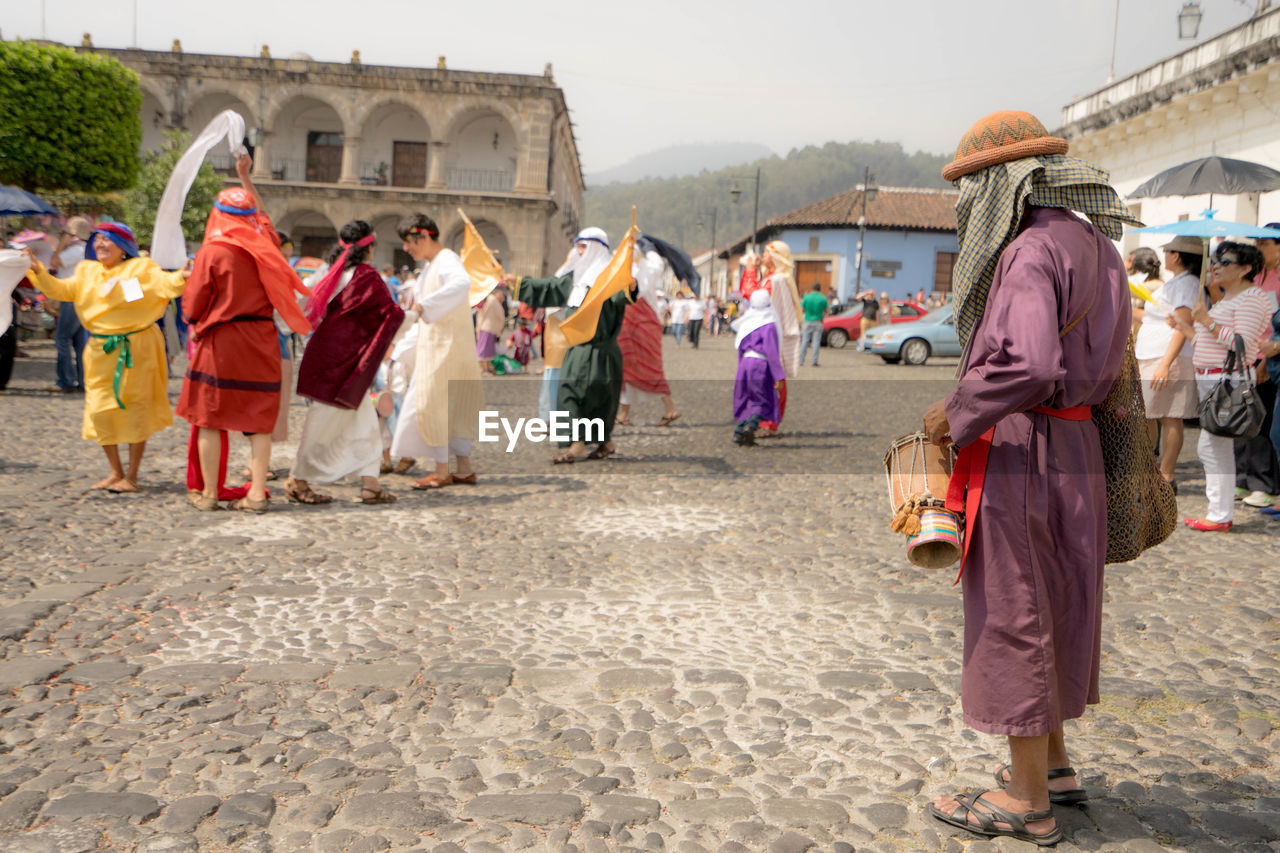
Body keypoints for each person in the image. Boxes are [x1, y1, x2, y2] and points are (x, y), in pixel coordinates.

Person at [922, 110, 1138, 846]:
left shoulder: (1030, 251)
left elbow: (1026, 364)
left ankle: (1024, 799)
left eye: (970, 189)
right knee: (1064, 599)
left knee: (1017, 610)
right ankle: (1055, 766)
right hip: (1080, 448)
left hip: (1027, 448)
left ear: (997, 185)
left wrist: (951, 417)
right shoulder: (1101, 248)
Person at [177, 155, 312, 512]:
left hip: (221, 342)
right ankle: (255, 494)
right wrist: (245, 179)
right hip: (261, 339)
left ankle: (208, 495)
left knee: (210, 418)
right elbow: (263, 218)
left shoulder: (213, 251)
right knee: (258, 420)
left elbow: (191, 306)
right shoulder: (267, 246)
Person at [24, 222, 191, 491]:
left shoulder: (141, 269)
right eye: (97, 239)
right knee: (100, 408)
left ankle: (132, 476)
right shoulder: (86, 271)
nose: (100, 244)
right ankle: (115, 472)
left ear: (123, 246)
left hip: (137, 347)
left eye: (107, 239)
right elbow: (59, 290)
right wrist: (38, 271)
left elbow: (166, 283)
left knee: (135, 407)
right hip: (100, 350)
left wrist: (181, 276)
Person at [288, 220, 405, 505]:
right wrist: (412, 317)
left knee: (364, 421)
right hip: (348, 361)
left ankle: (370, 483)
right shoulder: (368, 277)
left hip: (325, 354)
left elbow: (300, 301)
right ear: (369, 247)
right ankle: (298, 480)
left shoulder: (326, 272)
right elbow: (387, 314)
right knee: (322, 423)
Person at [500, 226, 636, 463]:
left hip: (601, 351)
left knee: (597, 399)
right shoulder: (576, 281)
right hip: (577, 350)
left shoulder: (611, 279)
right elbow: (549, 287)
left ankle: (592, 444)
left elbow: (622, 294)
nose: (579, 252)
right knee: (571, 395)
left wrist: (630, 286)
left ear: (596, 248)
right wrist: (519, 283)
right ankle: (584, 444)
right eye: (578, 247)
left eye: (583, 247)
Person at [1167, 241, 1273, 531]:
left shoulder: (1252, 298)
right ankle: (1220, 513)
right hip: (1212, 378)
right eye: (1215, 260)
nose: (1215, 266)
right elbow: (1207, 343)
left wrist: (1206, 321)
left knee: (1211, 447)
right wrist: (1186, 327)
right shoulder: (1227, 300)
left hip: (1227, 379)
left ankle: (1219, 514)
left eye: (1224, 261)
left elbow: (1242, 343)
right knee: (1216, 447)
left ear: (1246, 269)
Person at [390, 213, 483, 489]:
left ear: (426, 235)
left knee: (436, 405)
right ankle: (463, 469)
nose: (407, 248)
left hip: (445, 348)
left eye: (409, 241)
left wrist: (423, 306)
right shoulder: (433, 265)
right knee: (453, 406)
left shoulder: (446, 260)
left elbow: (461, 284)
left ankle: (442, 471)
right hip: (444, 346)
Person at [1133, 237, 1200, 492]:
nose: (1166, 256)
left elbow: (1183, 327)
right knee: (1149, 413)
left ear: (1179, 256)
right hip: (1152, 353)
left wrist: (1166, 363)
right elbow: (1155, 317)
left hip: (1167, 355)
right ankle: (1149, 471)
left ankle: (1166, 475)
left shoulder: (1187, 284)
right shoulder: (1175, 283)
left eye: (1169, 251)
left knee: (1170, 416)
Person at [617, 238, 680, 428]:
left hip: (635, 324)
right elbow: (657, 261)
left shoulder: (628, 275)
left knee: (639, 367)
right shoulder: (650, 268)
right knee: (631, 368)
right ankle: (624, 414)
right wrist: (648, 246)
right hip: (645, 324)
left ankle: (669, 408)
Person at [756, 241, 801, 437]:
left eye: (766, 253)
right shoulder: (771, 278)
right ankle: (763, 419)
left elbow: (778, 310)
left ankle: (770, 422)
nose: (763, 256)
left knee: (775, 379)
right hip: (765, 332)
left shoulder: (777, 281)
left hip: (772, 334)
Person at [732, 290, 784, 446]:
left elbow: (740, 347)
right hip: (759, 364)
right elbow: (772, 352)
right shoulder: (768, 325)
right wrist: (779, 375)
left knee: (747, 397)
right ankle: (750, 426)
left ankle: (739, 431)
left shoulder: (746, 322)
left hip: (745, 363)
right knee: (762, 399)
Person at [48, 217, 92, 392]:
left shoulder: (75, 250)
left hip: (71, 298)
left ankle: (65, 381)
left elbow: (54, 261)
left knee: (62, 339)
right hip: (81, 298)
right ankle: (83, 381)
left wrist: (61, 244)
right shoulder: (84, 249)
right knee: (80, 343)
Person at [475, 286, 507, 375]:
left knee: (487, 350)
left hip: (488, 328)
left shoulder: (491, 300)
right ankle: (484, 369)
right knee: (484, 350)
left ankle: (487, 368)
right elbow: (500, 315)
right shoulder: (492, 300)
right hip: (487, 328)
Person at [799, 282, 828, 367]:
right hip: (818, 321)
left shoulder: (806, 297)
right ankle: (814, 361)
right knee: (816, 342)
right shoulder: (822, 298)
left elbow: (802, 309)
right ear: (820, 289)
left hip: (807, 321)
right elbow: (827, 311)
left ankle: (801, 360)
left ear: (812, 288)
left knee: (804, 341)